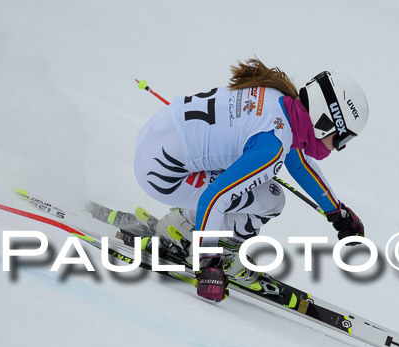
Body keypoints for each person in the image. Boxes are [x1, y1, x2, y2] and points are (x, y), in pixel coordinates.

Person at [133, 58, 369, 302]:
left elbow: (298, 163)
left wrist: (337, 213)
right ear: (325, 123)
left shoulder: (279, 102)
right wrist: (208, 266)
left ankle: (187, 226)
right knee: (271, 199)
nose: (339, 148)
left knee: (247, 183)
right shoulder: (272, 144)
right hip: (164, 174)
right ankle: (203, 240)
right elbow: (213, 198)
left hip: (153, 145)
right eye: (342, 140)